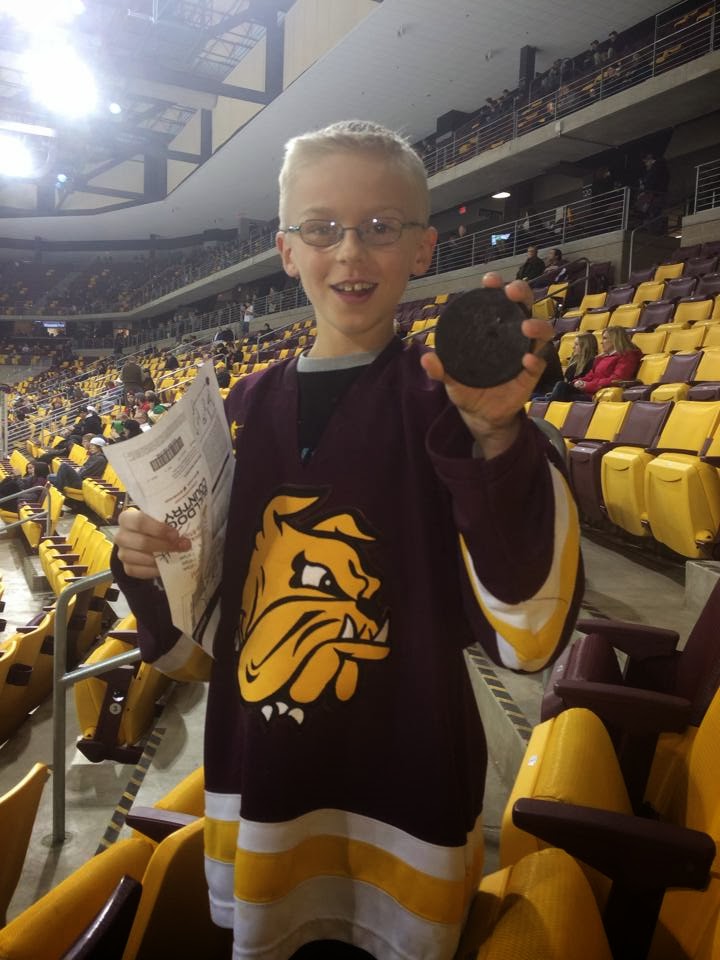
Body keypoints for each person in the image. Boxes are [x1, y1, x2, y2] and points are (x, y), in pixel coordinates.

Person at [112, 120, 582, 960]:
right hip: (259, 783)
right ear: (287, 250)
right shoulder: (239, 409)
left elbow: (528, 637)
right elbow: (199, 650)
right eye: (322, 228)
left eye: (380, 226)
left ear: (423, 247)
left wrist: (499, 444)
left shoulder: (458, 407)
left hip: (407, 795)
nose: (351, 253)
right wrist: (144, 566)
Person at [549, 326, 640, 400]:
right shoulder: (601, 358)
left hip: (597, 393)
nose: (601, 342)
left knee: (561, 387)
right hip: (589, 391)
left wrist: (587, 385)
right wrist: (579, 381)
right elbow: (591, 375)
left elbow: (616, 379)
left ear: (614, 340)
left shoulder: (627, 357)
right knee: (558, 389)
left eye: (605, 338)